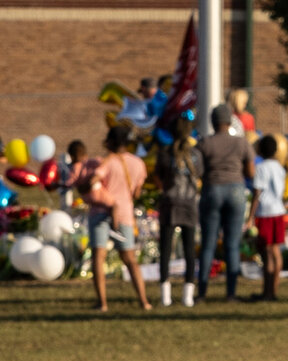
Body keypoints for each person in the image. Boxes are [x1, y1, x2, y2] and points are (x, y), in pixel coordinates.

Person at [87, 122, 149, 313]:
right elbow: (137, 193)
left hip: (101, 212)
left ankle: (103, 303)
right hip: (125, 213)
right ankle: (144, 301)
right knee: (130, 258)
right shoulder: (139, 163)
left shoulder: (109, 161)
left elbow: (93, 181)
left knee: (99, 256)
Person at [196, 103, 253, 304]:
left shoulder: (204, 143)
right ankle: (231, 293)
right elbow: (251, 173)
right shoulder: (242, 143)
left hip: (212, 189)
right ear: (230, 121)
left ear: (213, 121)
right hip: (236, 190)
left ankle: (201, 293)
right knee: (232, 245)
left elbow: (198, 172)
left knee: (208, 245)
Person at [153, 112, 204, 308]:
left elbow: (158, 176)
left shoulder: (165, 153)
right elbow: (200, 175)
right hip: (189, 204)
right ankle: (187, 296)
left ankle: (165, 296)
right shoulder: (196, 155)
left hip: (170, 203)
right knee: (189, 250)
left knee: (165, 250)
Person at [251, 133, 288, 301]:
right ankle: (274, 289)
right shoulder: (280, 167)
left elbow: (257, 193)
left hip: (265, 213)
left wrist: (250, 216)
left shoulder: (261, 168)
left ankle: (267, 292)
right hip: (278, 211)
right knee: (276, 251)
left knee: (267, 254)